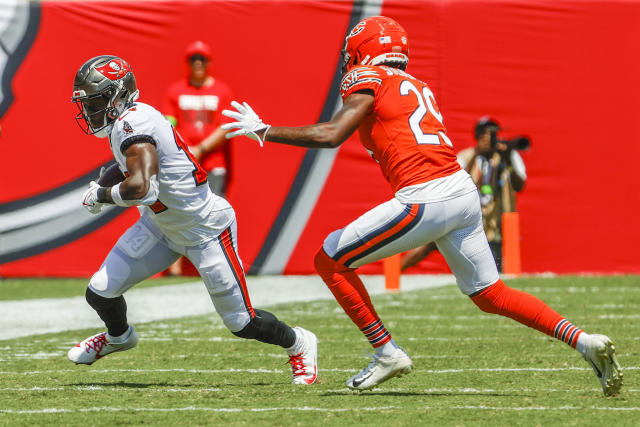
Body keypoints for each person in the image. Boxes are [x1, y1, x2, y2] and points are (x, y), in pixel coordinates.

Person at [221, 16, 622, 395]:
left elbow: (331, 135)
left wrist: (265, 130)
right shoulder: (415, 84)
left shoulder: (367, 76)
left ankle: (386, 353)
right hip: (461, 193)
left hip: (426, 196)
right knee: (490, 294)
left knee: (330, 260)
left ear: (363, 50)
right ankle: (585, 342)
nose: (349, 61)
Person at [68, 55, 318, 385]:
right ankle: (119, 337)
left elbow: (143, 187)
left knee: (241, 322)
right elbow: (129, 163)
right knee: (99, 292)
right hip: (161, 227)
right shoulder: (127, 123)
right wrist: (103, 182)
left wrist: (102, 195)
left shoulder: (134, 123)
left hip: (206, 230)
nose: (90, 111)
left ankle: (299, 343)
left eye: (96, 101)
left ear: (118, 94)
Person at [401, 117, 527, 272]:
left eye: (493, 134)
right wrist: (476, 154)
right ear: (477, 137)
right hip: (468, 220)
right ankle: (393, 272)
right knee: (430, 243)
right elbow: (454, 183)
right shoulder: (467, 155)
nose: (489, 139)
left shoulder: (508, 156)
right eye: (484, 135)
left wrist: (507, 159)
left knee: (495, 270)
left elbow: (520, 186)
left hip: (497, 225)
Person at [162, 40, 233, 276]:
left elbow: (226, 127)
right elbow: (168, 123)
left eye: (202, 59)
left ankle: (217, 265)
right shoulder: (176, 90)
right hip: (184, 163)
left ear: (209, 62)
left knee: (213, 214)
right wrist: (182, 149)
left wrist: (201, 148)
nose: (198, 63)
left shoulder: (221, 91)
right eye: (194, 59)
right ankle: (175, 267)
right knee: (180, 211)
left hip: (213, 164)